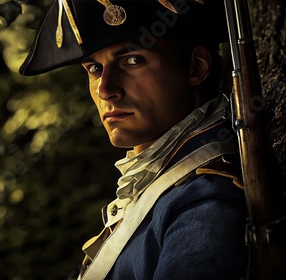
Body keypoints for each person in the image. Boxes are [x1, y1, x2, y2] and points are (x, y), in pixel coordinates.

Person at [19, 0, 248, 279]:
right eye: (94, 68)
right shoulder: (161, 186)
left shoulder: (203, 202)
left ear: (196, 67)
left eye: (132, 60)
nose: (105, 89)